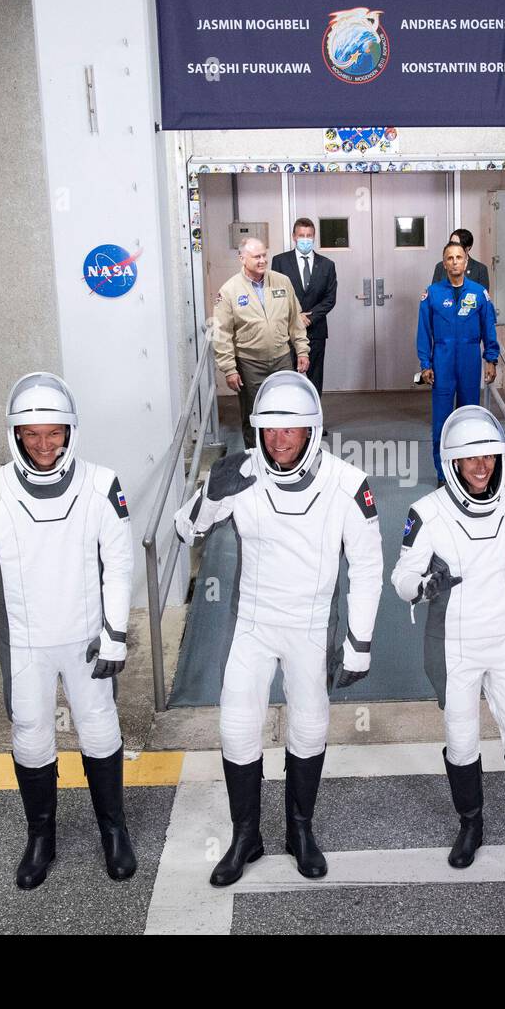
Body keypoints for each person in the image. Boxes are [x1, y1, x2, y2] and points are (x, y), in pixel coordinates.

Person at [0, 372, 136, 889]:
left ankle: (114, 832)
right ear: (15, 435)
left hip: (87, 640)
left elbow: (119, 564)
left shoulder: (102, 483)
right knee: (31, 741)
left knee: (100, 730)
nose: (42, 444)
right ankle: (41, 837)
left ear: (70, 431)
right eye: (31, 434)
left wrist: (116, 633)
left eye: (53, 432)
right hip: (26, 645)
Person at [174, 372, 383, 886]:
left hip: (310, 627)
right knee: (236, 727)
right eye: (269, 429)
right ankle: (246, 835)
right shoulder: (241, 473)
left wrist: (359, 642)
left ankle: (300, 831)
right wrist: (209, 495)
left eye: (290, 430)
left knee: (310, 726)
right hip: (253, 624)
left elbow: (369, 565)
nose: (279, 440)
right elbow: (185, 529)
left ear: (312, 430)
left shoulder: (347, 484)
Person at [390, 406, 505, 869]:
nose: (482, 467)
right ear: (453, 464)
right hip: (456, 648)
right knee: (462, 741)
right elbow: (400, 576)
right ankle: (471, 824)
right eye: (471, 459)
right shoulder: (427, 513)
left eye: (488, 456)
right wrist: (424, 586)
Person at [213, 237, 311, 449]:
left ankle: (285, 457)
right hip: (250, 363)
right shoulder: (229, 290)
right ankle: (255, 458)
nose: (262, 260)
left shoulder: (282, 282)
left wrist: (302, 351)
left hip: (282, 359)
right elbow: (221, 333)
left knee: (286, 409)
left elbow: (295, 320)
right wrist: (229, 369)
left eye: (264, 255)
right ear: (242, 258)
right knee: (254, 414)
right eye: (256, 256)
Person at [417, 242, 499, 482]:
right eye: (450, 258)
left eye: (459, 257)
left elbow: (488, 329)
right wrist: (425, 364)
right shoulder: (431, 294)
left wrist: (491, 359)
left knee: (469, 418)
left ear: (466, 262)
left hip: (469, 360)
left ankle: (467, 471)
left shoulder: (479, 293)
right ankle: (443, 473)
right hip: (442, 361)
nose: (454, 262)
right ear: (444, 264)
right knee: (442, 422)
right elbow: (423, 332)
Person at [271, 218, 337, 396]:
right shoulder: (280, 262)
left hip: (316, 330)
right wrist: (296, 317)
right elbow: (276, 295)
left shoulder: (327, 265)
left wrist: (310, 317)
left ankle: (314, 419)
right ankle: (293, 420)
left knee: (315, 378)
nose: (305, 239)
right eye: (301, 235)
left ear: (314, 237)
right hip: (287, 332)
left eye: (309, 236)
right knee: (289, 378)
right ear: (294, 236)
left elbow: (330, 299)